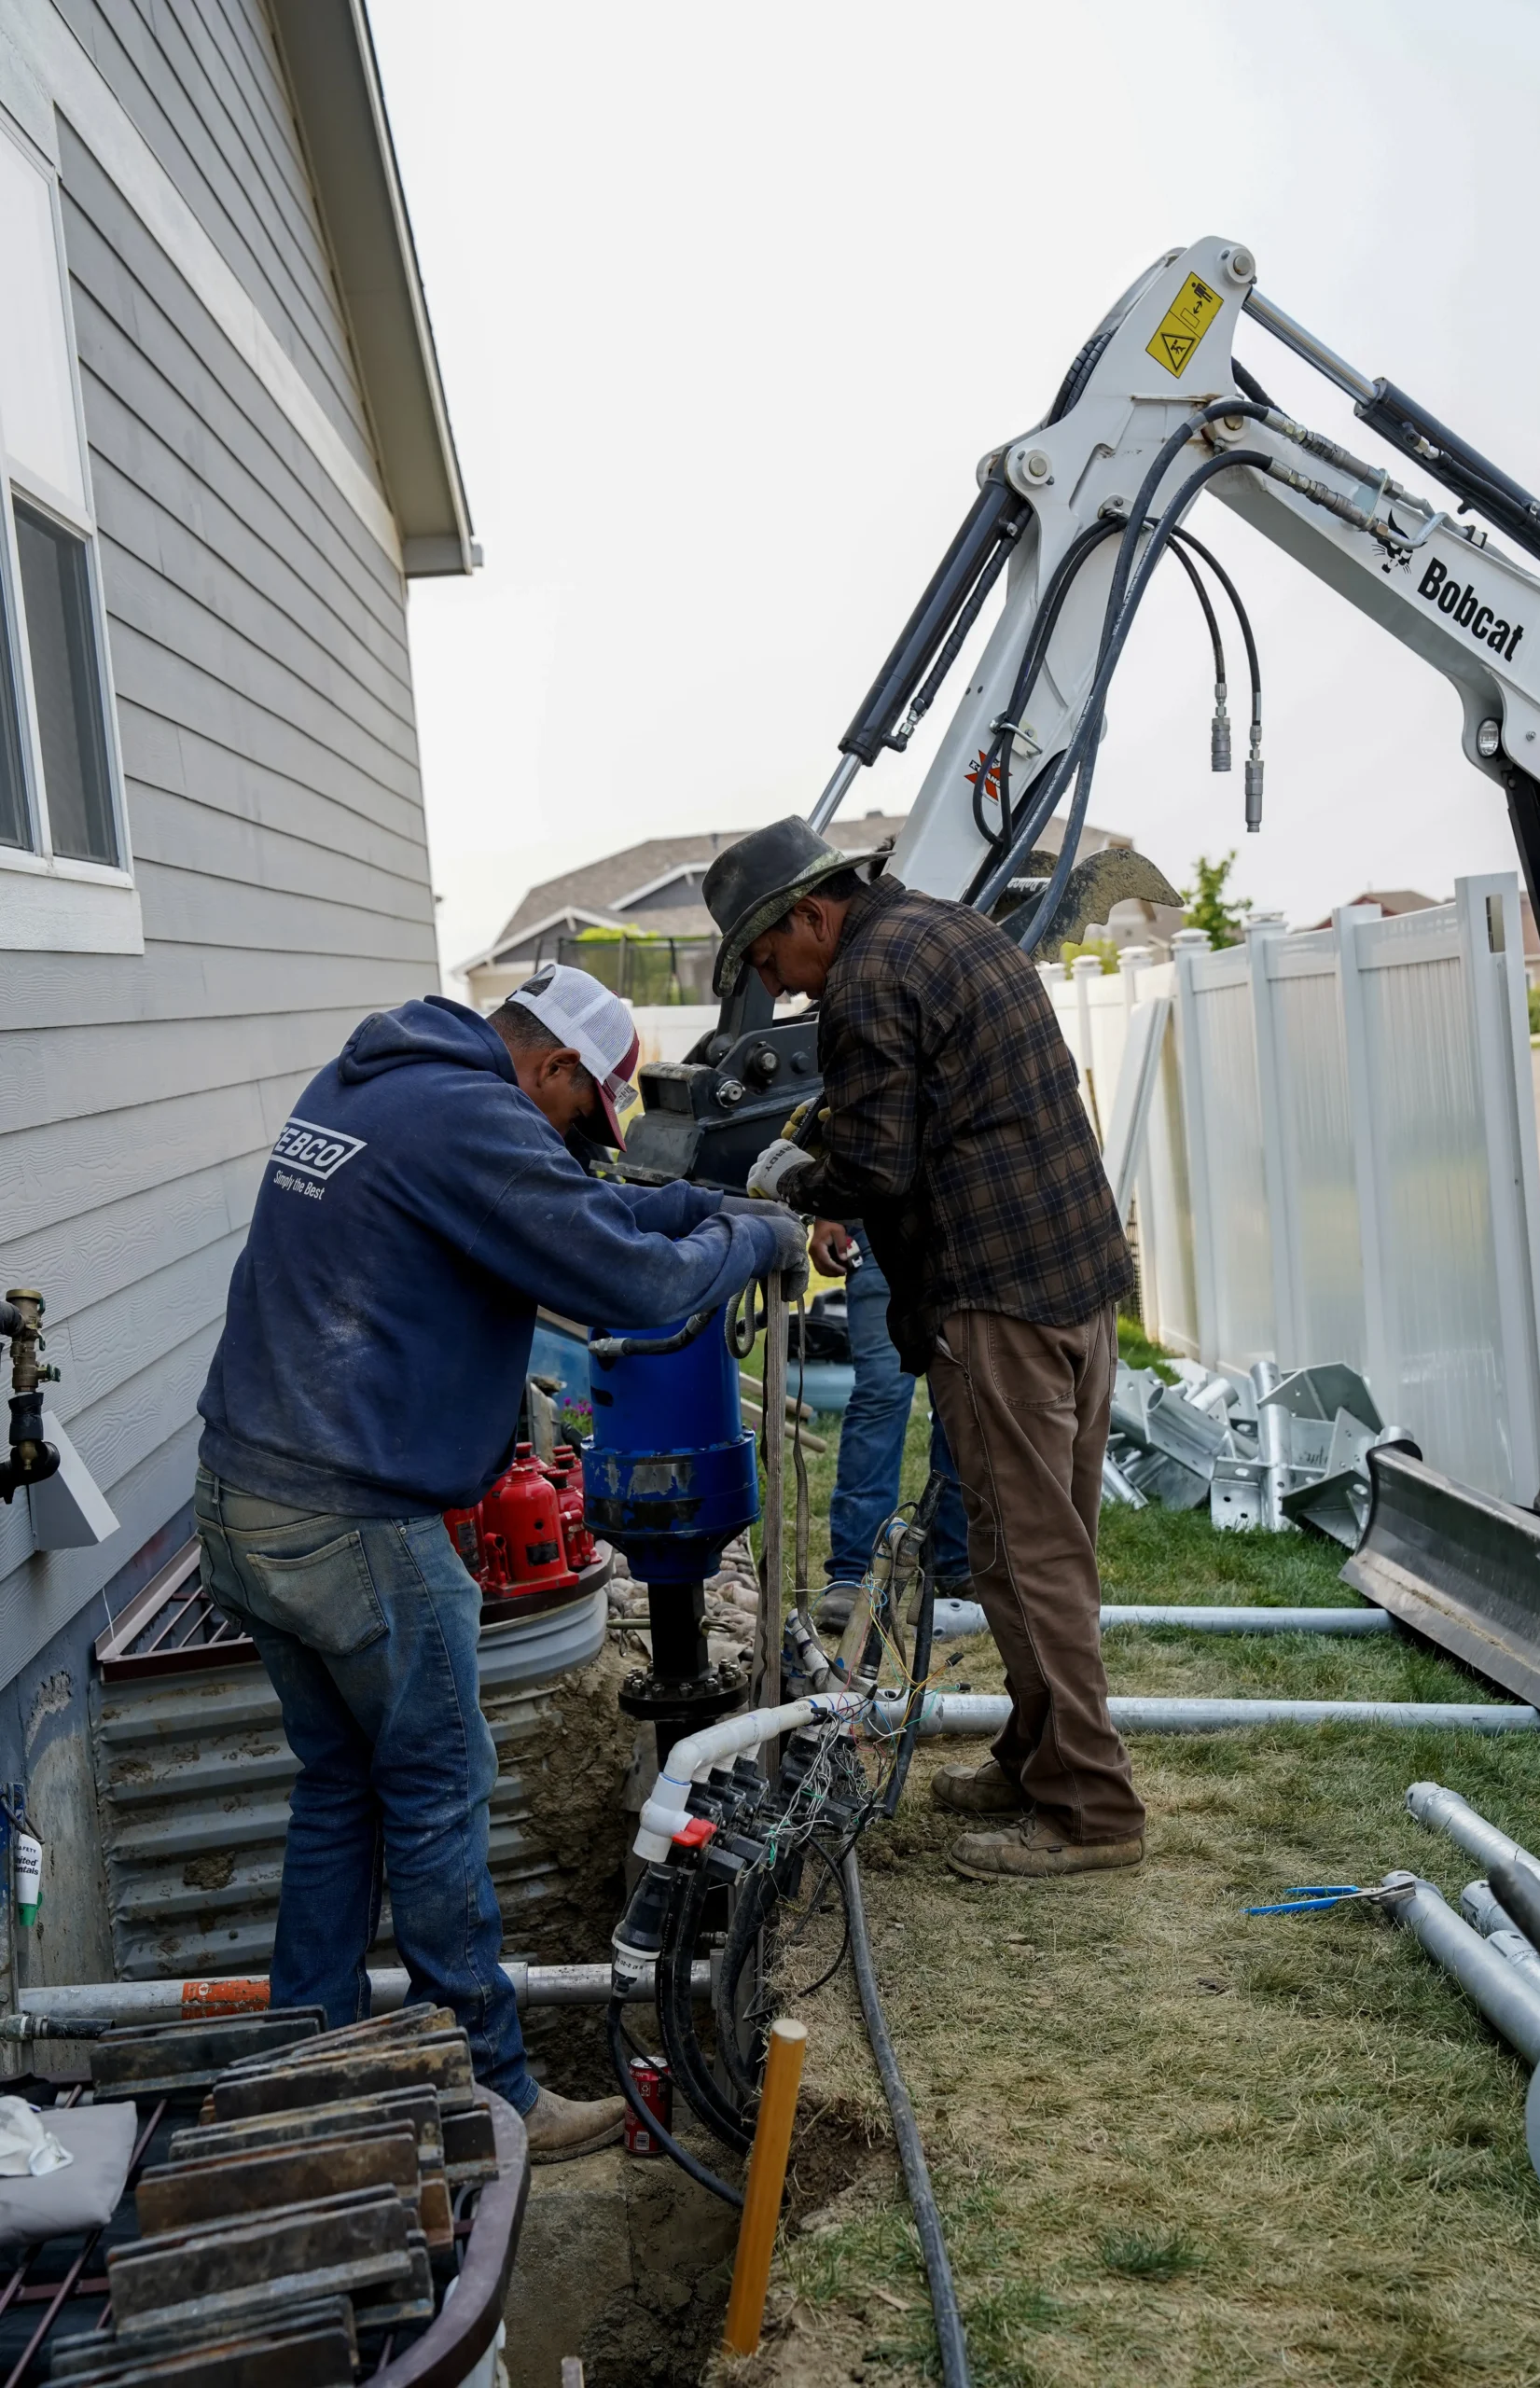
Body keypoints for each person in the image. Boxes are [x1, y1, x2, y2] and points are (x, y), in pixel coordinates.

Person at [196, 964, 805, 2154]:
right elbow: (627, 1280)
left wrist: (689, 1205)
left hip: (240, 1493)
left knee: (340, 1789)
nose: (582, 1142)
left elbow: (588, 1210)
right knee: (436, 1793)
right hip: (351, 1520)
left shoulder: (385, 1079)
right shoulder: (472, 1116)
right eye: (585, 1115)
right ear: (555, 1069)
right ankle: (486, 2087)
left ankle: (307, 2074)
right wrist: (754, 1235)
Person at [702, 819, 1145, 1885]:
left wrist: (783, 1179)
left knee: (1025, 1557)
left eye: (770, 962)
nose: (782, 988)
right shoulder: (949, 933)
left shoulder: (868, 977)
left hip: (996, 1297)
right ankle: (1038, 1754)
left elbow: (875, 1163)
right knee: (1037, 1544)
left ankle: (1090, 1807)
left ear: (810, 915)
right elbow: (922, 1101)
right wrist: (822, 1124)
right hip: (1073, 1281)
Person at [807, 1218, 970, 1629]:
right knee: (880, 1396)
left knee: (966, 1402)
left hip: (969, 1230)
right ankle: (854, 1575)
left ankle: (957, 1563)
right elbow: (849, 1150)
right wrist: (829, 1215)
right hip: (883, 1232)